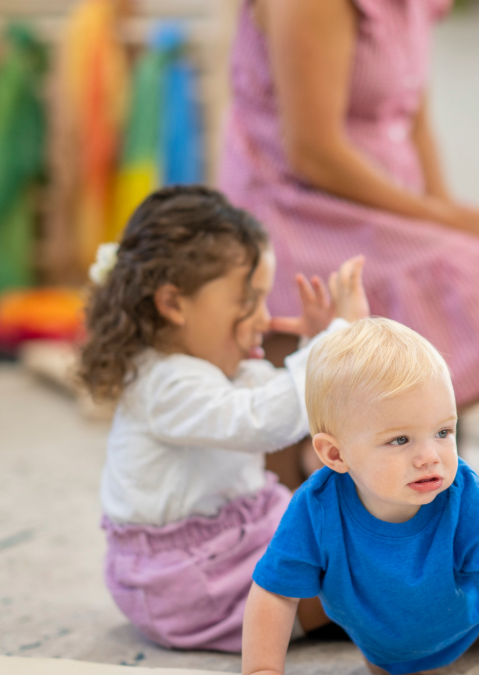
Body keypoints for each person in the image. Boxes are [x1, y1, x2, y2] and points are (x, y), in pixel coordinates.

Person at [217, 0, 479, 409]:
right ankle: (362, 434)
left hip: (390, 208)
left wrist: (446, 212)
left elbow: (413, 120)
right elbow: (314, 153)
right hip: (301, 210)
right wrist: (439, 217)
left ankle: (396, 425)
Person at [77, 185, 370, 652]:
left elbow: (273, 397)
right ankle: (381, 603)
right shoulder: (165, 385)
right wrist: (333, 346)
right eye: (247, 300)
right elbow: (261, 421)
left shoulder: (209, 370)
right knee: (359, 574)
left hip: (233, 540)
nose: (264, 319)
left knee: (352, 538)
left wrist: (310, 350)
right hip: (186, 580)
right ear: (173, 303)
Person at [242, 318, 479, 675]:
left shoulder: (460, 494)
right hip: (386, 648)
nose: (430, 456)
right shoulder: (316, 506)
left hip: (471, 619)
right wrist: (261, 669)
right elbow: (275, 593)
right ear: (335, 455)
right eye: (400, 440)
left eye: (443, 431)